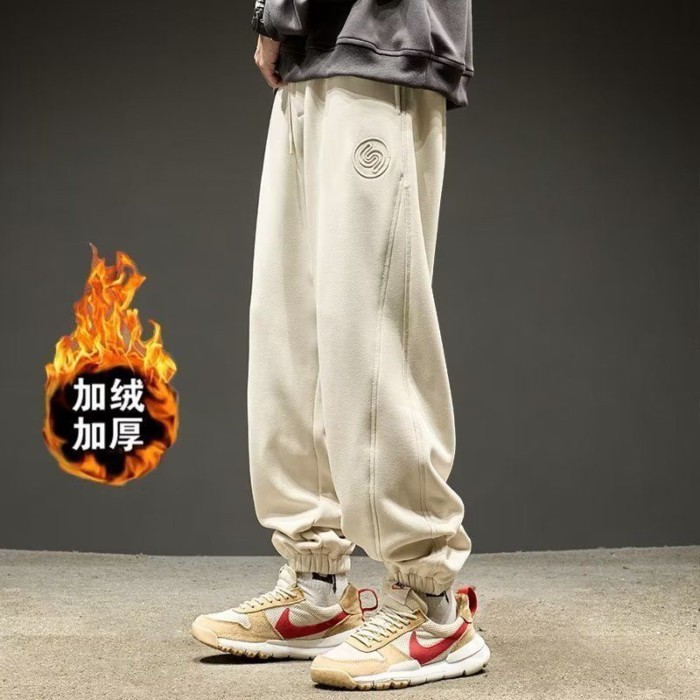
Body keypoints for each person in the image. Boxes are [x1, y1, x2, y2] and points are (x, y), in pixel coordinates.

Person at [192, 0, 490, 690]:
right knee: (291, 331)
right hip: (316, 49)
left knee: (370, 332)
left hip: (378, 40)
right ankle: (317, 587)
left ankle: (432, 609)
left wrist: (274, 12)